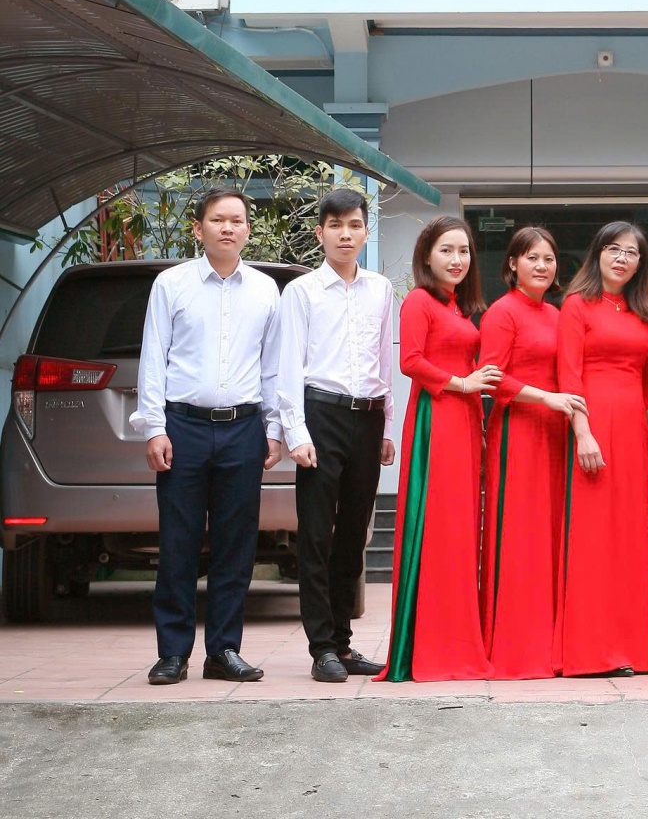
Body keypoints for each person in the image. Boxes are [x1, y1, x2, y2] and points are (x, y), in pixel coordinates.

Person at [131, 186, 282, 686]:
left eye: (237, 220)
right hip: (184, 427)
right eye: (218, 219)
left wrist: (274, 428)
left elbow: (272, 366)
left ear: (248, 229)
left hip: (244, 427)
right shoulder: (171, 285)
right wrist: (155, 427)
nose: (228, 228)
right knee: (179, 541)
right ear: (199, 228)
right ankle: (173, 653)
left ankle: (223, 650)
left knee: (236, 545)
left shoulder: (265, 290)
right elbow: (154, 357)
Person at [277, 187, 396, 683]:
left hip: (367, 419)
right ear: (320, 232)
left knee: (353, 534)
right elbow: (287, 364)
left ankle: (343, 644)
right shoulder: (301, 292)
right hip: (320, 415)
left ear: (366, 232)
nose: (345, 234)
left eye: (354, 225)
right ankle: (321, 647)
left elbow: (384, 360)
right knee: (315, 534)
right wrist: (296, 431)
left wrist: (387, 426)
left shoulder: (381, 289)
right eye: (335, 225)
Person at [376, 217, 501, 682]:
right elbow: (410, 360)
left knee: (462, 531)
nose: (457, 259)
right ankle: (430, 648)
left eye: (464, 251)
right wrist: (462, 383)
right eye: (446, 250)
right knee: (438, 528)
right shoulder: (419, 301)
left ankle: (458, 641)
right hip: (437, 417)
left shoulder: (459, 308)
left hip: (465, 421)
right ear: (427, 256)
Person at [555, 220, 648, 677]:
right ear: (597, 254)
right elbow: (568, 373)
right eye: (614, 249)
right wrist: (582, 432)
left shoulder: (645, 312)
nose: (622, 258)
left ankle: (631, 649)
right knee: (593, 536)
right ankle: (590, 651)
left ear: (640, 263)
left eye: (631, 252)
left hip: (634, 429)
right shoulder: (576, 305)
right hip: (593, 423)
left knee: (630, 536)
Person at [478, 226, 586, 679]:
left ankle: (552, 644)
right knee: (518, 535)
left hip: (555, 436)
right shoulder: (502, 313)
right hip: (518, 434)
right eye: (532, 258)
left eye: (548, 259)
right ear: (512, 264)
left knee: (551, 535)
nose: (542, 266)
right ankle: (515, 648)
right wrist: (547, 398)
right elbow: (490, 377)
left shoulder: (557, 315)